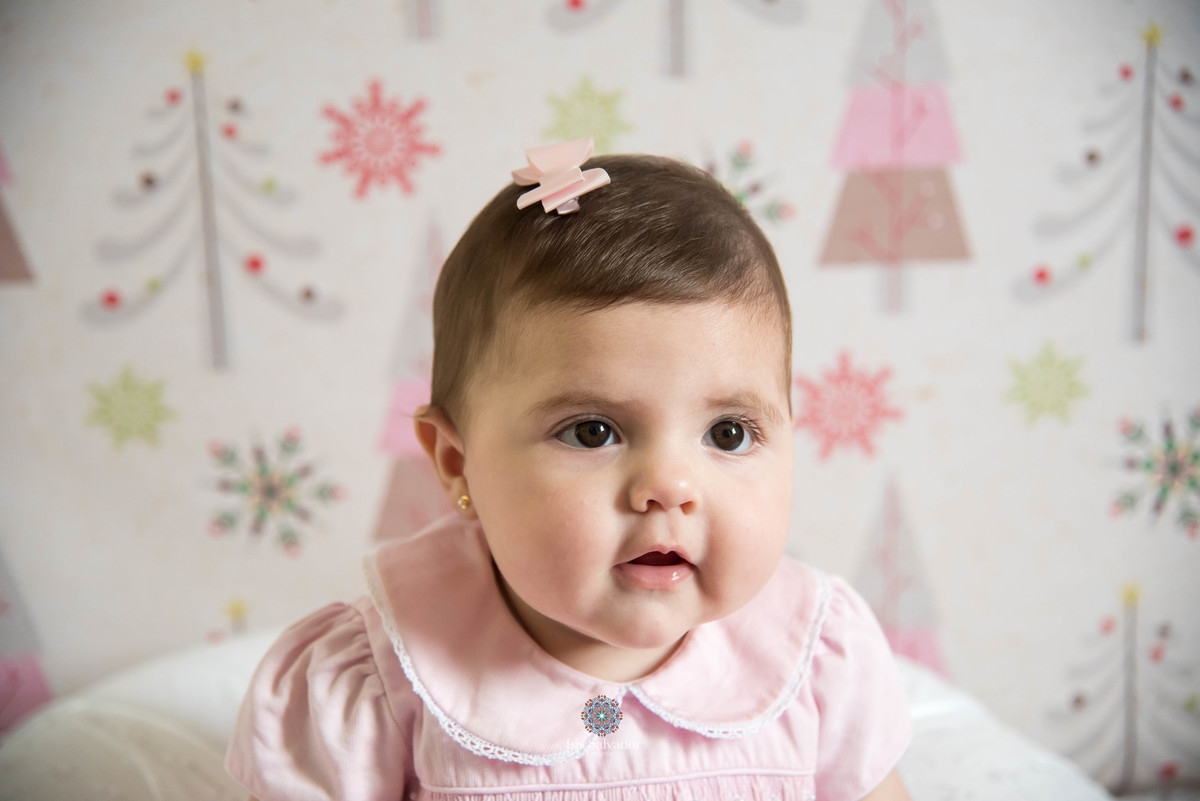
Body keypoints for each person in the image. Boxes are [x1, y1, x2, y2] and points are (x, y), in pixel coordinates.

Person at [226, 139, 914, 800]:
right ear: (458, 462)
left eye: (728, 433)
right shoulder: (380, 679)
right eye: (594, 432)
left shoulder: (816, 658)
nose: (669, 487)